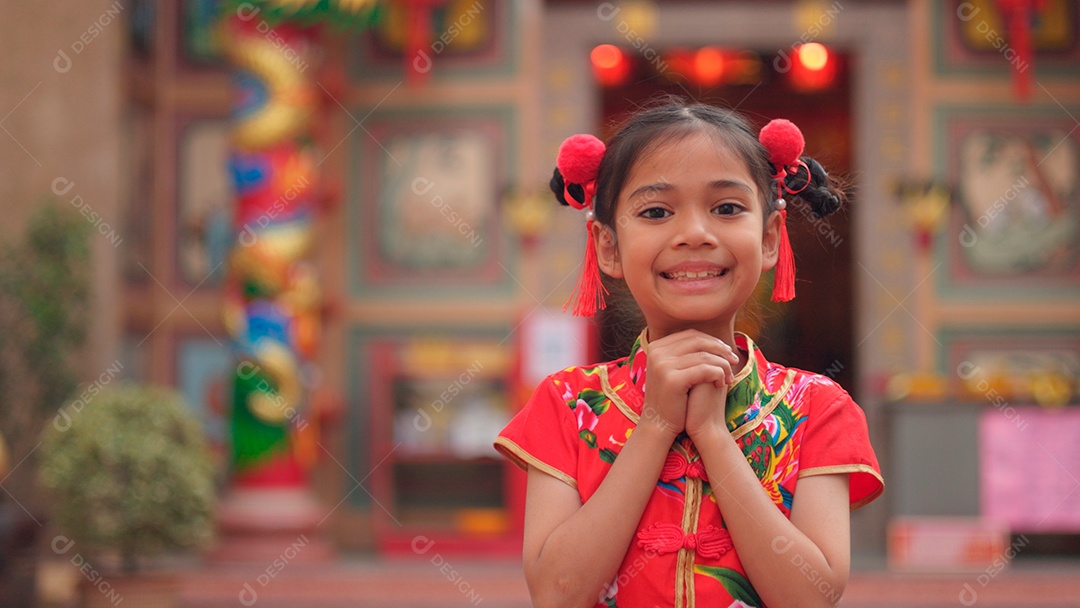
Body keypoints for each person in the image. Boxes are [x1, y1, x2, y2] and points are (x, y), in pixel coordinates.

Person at [494, 101, 883, 608]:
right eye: (656, 212)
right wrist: (655, 424)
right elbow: (557, 594)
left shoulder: (818, 408)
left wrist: (713, 436)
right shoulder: (567, 405)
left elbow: (809, 599)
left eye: (726, 208)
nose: (695, 233)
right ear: (607, 246)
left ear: (769, 239)